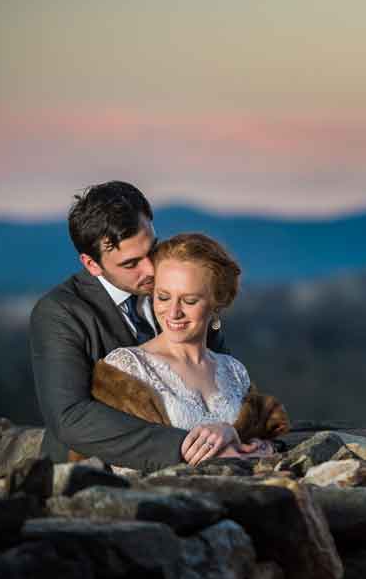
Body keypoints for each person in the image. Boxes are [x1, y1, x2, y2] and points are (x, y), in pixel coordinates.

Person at [30, 181, 230, 469]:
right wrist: (185, 446)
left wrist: (230, 429)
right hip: (92, 479)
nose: (150, 269)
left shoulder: (180, 284)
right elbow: (71, 416)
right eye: (130, 263)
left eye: (153, 249)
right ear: (92, 264)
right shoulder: (59, 313)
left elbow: (225, 375)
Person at [96, 233, 278, 464]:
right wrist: (231, 452)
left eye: (189, 301)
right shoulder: (125, 368)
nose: (173, 313)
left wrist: (232, 433)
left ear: (217, 302)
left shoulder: (234, 370)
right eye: (163, 297)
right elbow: (120, 461)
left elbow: (266, 446)